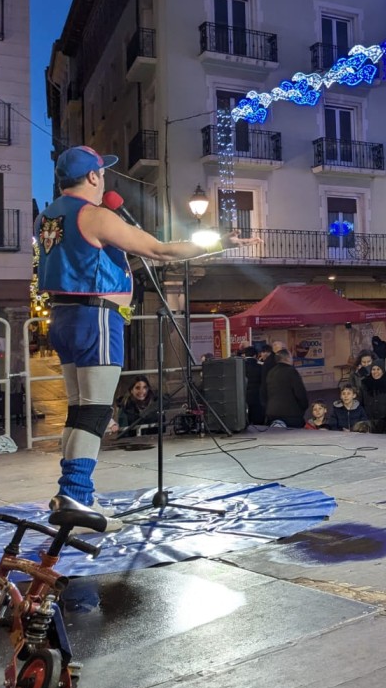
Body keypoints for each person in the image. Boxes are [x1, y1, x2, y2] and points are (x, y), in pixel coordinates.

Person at [36, 145, 256, 515]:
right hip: (97, 319)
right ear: (92, 176)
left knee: (78, 411)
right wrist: (219, 242)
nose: (104, 177)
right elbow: (161, 251)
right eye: (101, 172)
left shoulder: (48, 216)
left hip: (63, 318)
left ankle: (71, 494)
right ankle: (76, 495)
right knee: (94, 412)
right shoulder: (95, 216)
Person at [263, 349, 309, 428]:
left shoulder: (270, 372)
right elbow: (300, 394)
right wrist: (303, 407)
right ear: (287, 358)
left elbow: (264, 392)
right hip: (291, 415)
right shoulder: (291, 372)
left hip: (272, 414)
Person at [360, 362, 386, 432]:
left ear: (383, 371)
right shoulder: (365, 385)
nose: (375, 372)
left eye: (378, 369)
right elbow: (361, 403)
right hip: (368, 423)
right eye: (373, 369)